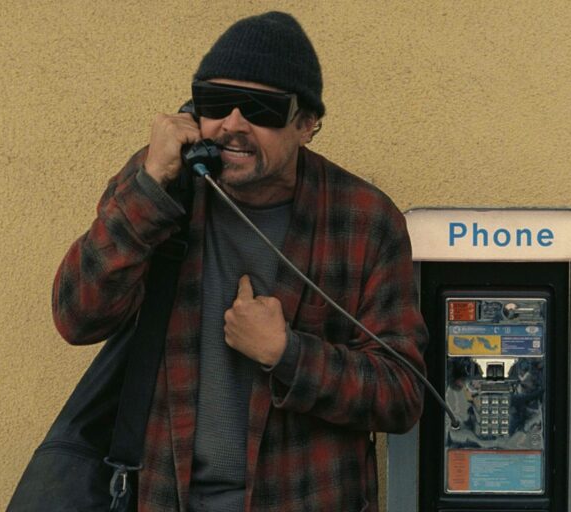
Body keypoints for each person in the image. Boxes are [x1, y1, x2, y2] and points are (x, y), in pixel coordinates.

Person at [51, 11, 428, 512]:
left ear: (306, 124)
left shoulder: (364, 219)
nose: (231, 125)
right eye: (213, 103)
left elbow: (402, 393)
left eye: (260, 109)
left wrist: (288, 354)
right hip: (168, 495)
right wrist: (151, 186)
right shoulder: (162, 186)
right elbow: (76, 316)